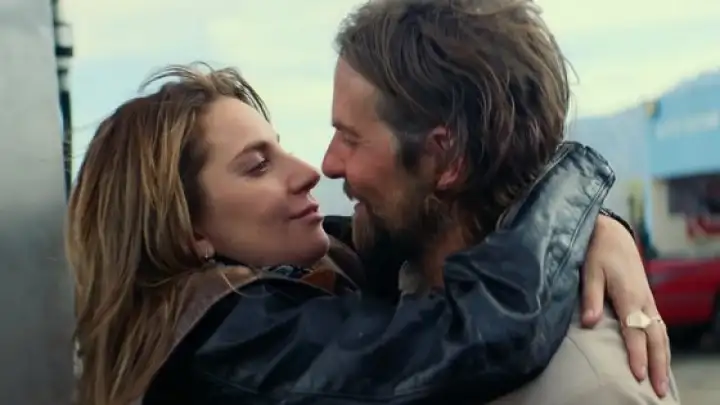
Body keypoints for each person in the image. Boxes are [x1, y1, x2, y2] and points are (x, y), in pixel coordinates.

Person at [67, 63, 667, 405]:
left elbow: (395, 232)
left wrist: (600, 229)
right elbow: (483, 335)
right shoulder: (225, 344)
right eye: (258, 166)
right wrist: (577, 184)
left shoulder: (261, 292)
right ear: (187, 228)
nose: (310, 171)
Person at [320, 0, 679, 404]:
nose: (328, 164)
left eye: (350, 138)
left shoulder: (590, 390)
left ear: (446, 158)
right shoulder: (392, 285)